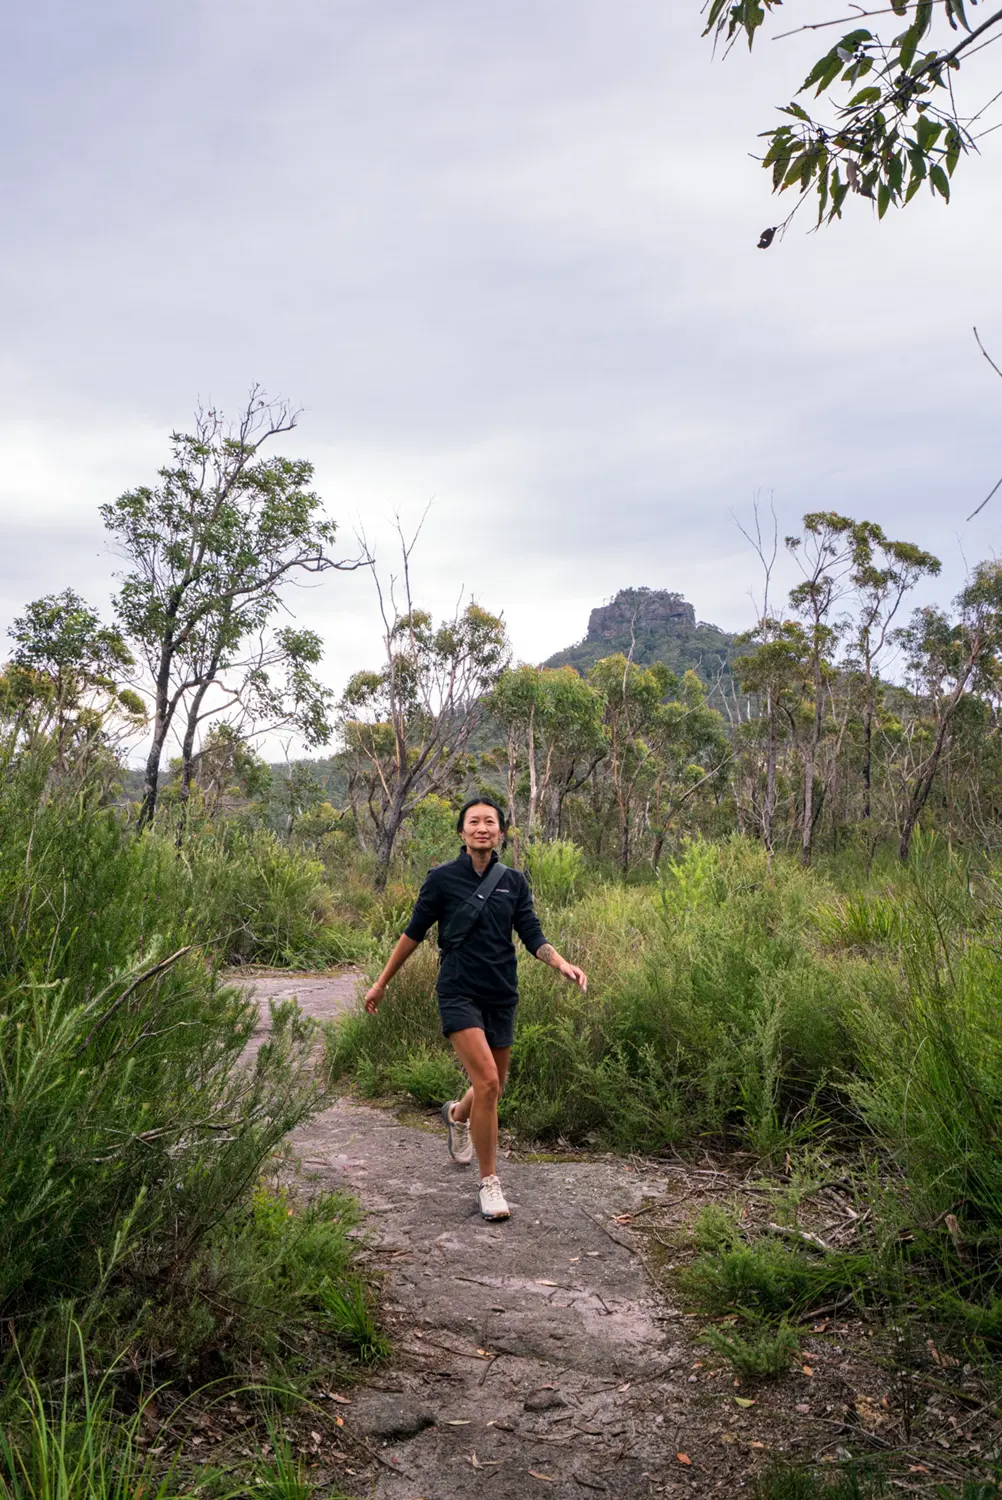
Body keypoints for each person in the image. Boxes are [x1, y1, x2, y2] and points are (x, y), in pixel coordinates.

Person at [364, 797, 587, 1221]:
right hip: (458, 991)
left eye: (490, 822)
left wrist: (561, 963)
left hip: (501, 991)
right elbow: (413, 934)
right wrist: (380, 984)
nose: (482, 828)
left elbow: (531, 933)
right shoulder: (442, 879)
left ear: (500, 832)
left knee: (495, 1084)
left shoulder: (514, 881)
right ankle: (489, 1184)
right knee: (487, 1083)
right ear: (462, 832)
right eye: (473, 822)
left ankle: (456, 1114)